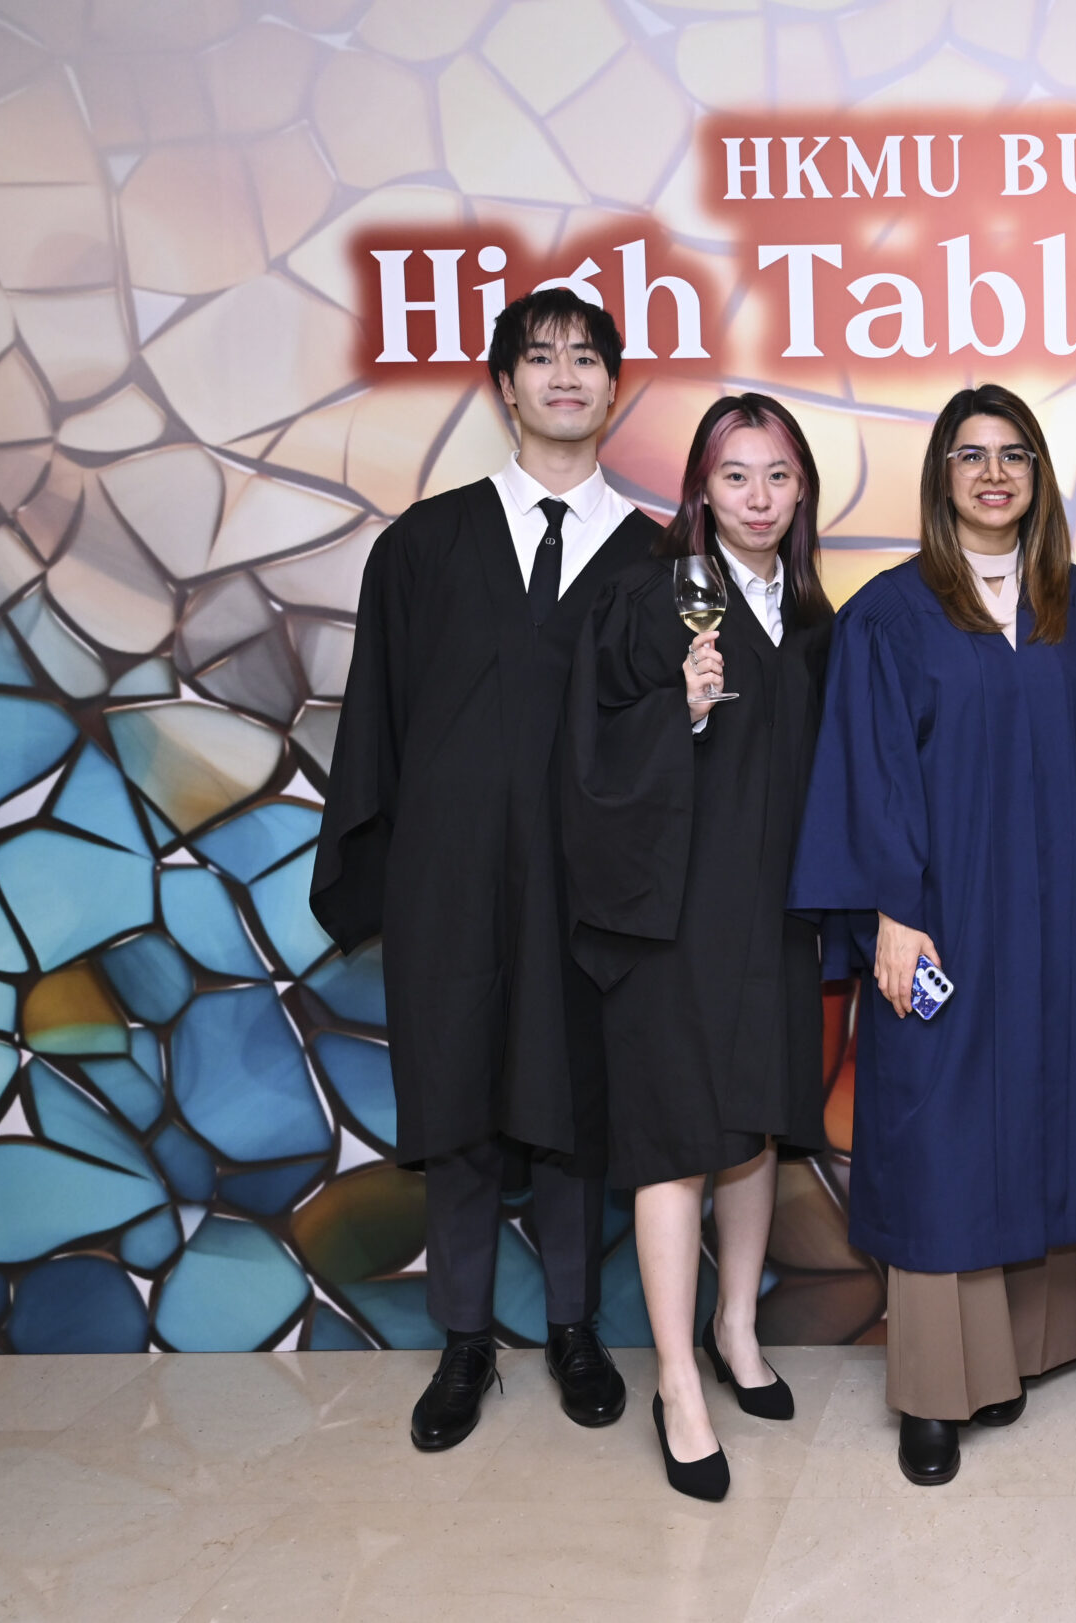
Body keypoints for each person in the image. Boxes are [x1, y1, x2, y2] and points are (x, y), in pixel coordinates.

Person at [312, 287, 651, 1450]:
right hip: (448, 878)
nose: (565, 376)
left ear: (615, 386)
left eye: (586, 358)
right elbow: (376, 719)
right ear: (504, 386)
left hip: (586, 887)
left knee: (571, 1107)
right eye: (540, 357)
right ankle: (463, 1342)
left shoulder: (657, 560)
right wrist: (380, 873)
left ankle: (572, 1329)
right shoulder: (424, 545)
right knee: (457, 1105)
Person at [789, 384, 1076, 1488]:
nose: (993, 474)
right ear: (942, 476)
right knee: (937, 1135)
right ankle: (937, 1389)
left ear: (1038, 475)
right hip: (936, 918)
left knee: (1038, 1114)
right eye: (971, 455)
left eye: (1014, 454)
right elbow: (866, 769)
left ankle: (1018, 1353)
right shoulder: (890, 616)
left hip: (1049, 918)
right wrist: (891, 913)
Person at [561, 393, 835, 1500]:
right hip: (670, 919)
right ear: (700, 492)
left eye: (777, 476)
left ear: (802, 490)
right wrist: (673, 708)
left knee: (754, 1128)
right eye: (735, 476)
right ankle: (677, 1381)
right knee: (676, 1142)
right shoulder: (651, 601)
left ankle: (735, 1331)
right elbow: (585, 751)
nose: (758, 498)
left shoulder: (810, 616)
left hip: (773, 917)